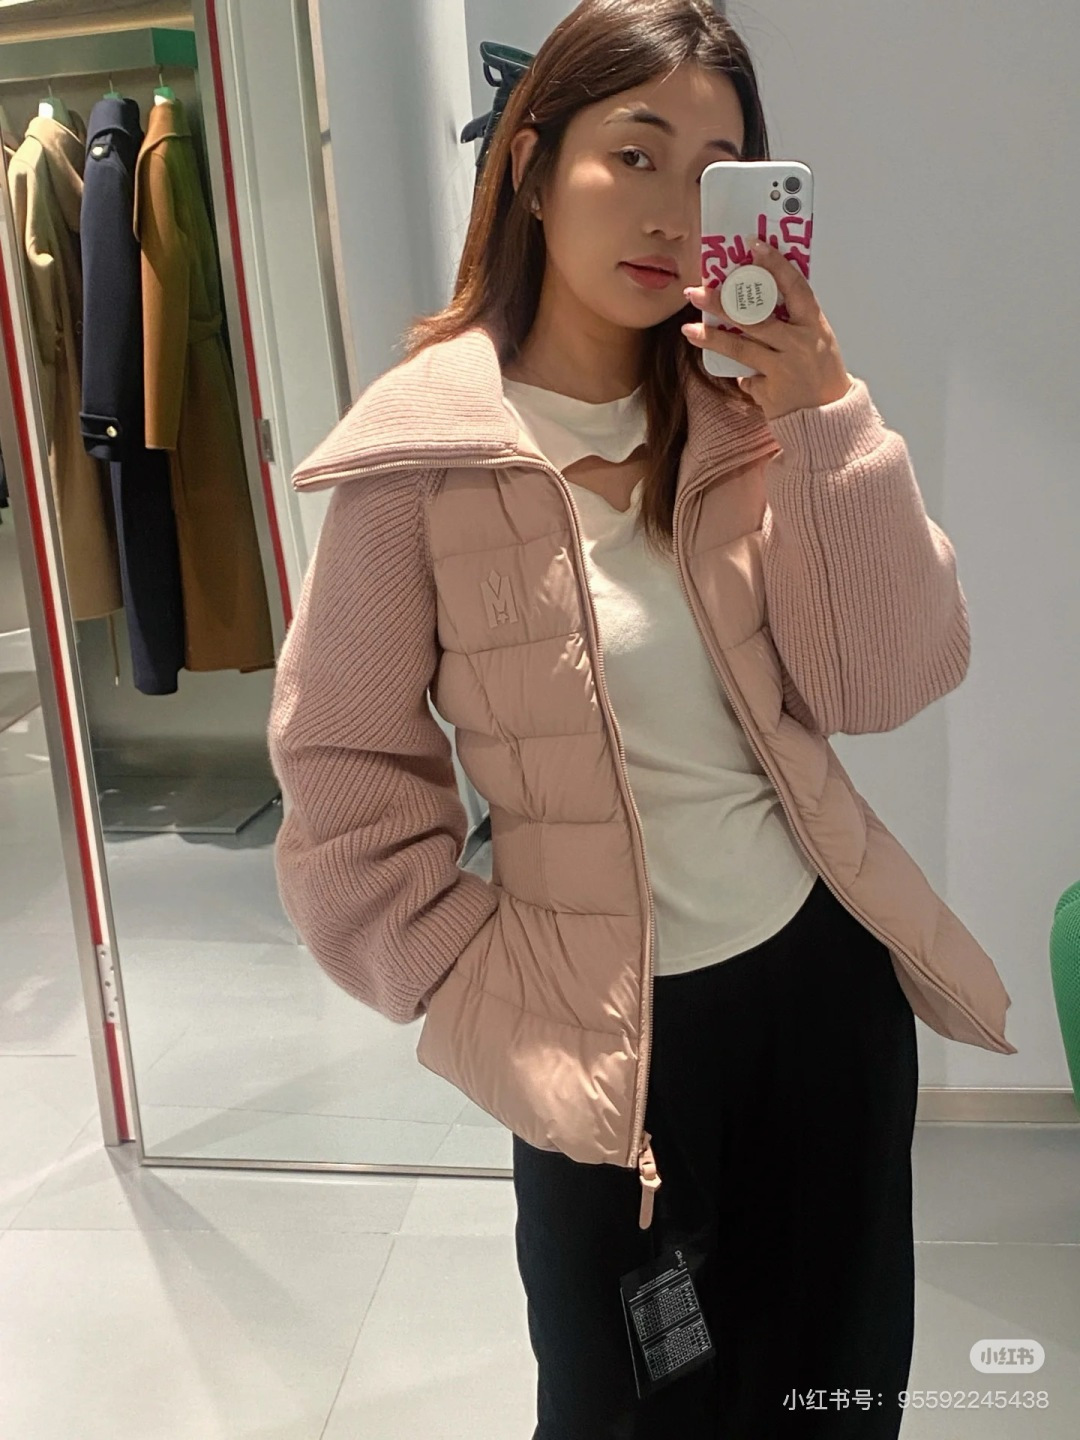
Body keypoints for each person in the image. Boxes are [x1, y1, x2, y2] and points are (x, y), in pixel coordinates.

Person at [267, 2, 1015, 1435]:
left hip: (821, 993)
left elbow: (886, 682)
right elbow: (344, 774)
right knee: (628, 1408)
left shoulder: (749, 416)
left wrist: (829, 413)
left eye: (717, 173)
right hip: (602, 1047)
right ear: (534, 170)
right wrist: (472, 981)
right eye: (636, 152)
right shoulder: (421, 458)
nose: (674, 210)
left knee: (833, 1393)